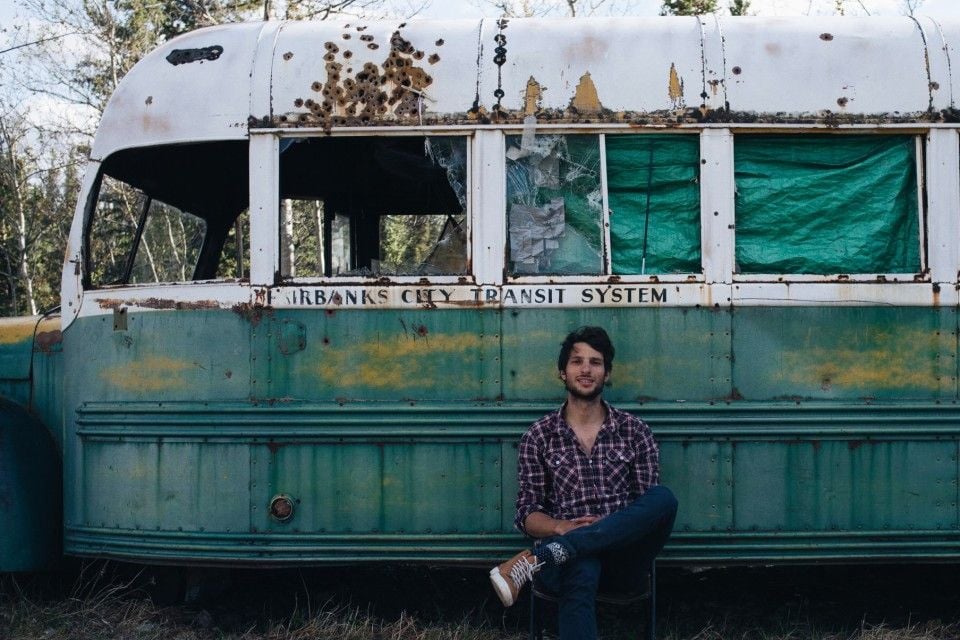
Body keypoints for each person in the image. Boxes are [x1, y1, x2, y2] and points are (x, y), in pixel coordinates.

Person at [489, 326, 678, 639]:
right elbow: (527, 514)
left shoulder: (634, 431)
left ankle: (543, 557)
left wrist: (601, 530)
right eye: (577, 362)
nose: (587, 369)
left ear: (607, 373)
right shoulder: (540, 436)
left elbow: (648, 511)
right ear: (562, 372)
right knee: (581, 562)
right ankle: (561, 550)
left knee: (664, 499)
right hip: (566, 565)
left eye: (596, 362)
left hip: (623, 560)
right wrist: (561, 528)